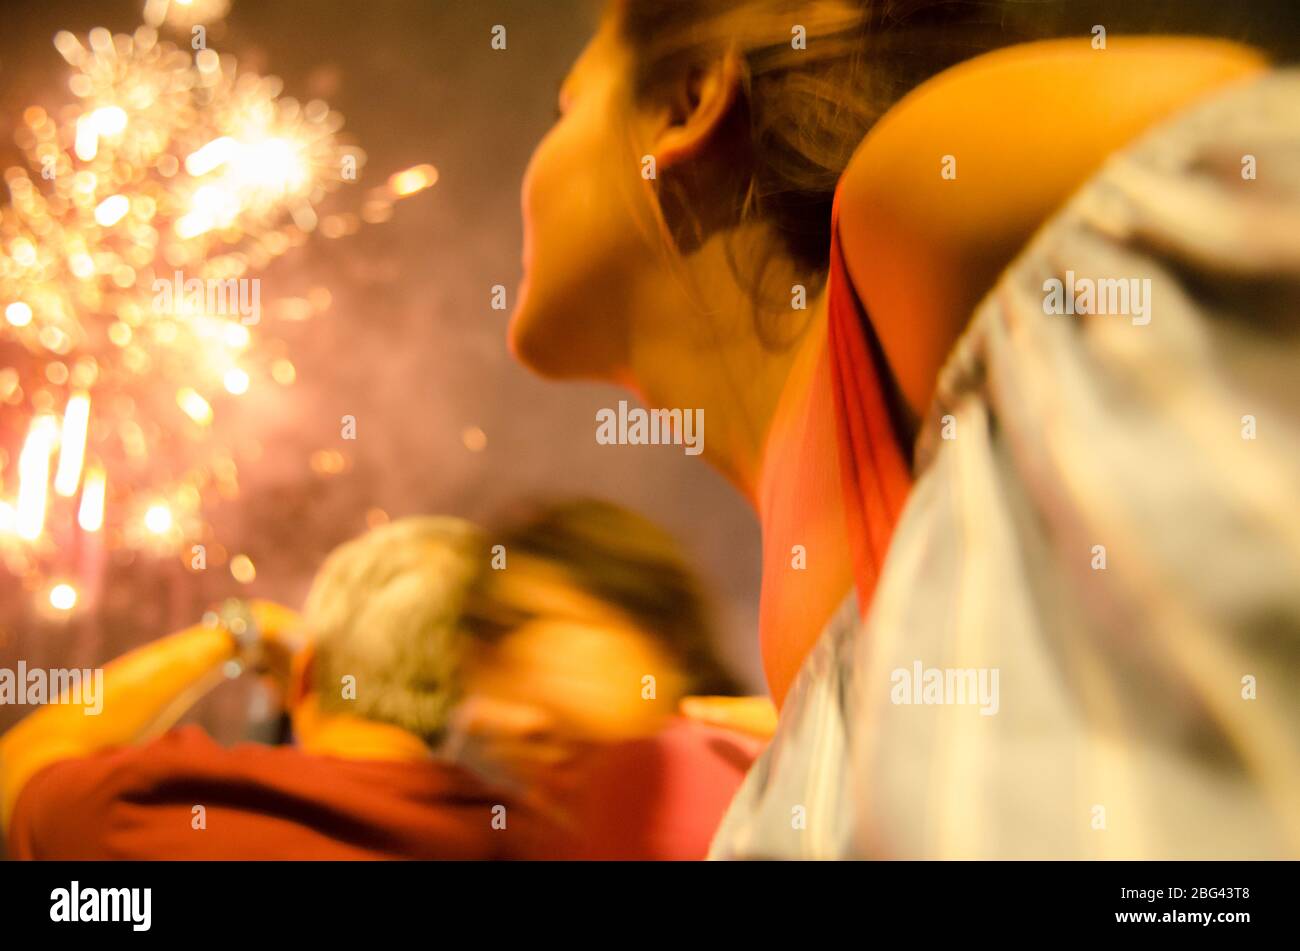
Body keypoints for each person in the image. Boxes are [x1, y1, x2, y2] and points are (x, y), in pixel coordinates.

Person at [508, 0, 1300, 857]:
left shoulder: (916, 191)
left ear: (684, 106)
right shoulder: (801, 634)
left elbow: (1252, 152)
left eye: (568, 105)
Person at [1, 517, 553, 860]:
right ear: (474, 689)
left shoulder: (162, 802)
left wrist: (235, 634)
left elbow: (18, 772)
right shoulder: (529, 843)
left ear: (306, 671)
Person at [449, 498, 763, 860]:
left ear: (655, 634)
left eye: (519, 629)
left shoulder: (664, 777)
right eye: (482, 669)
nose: (493, 720)